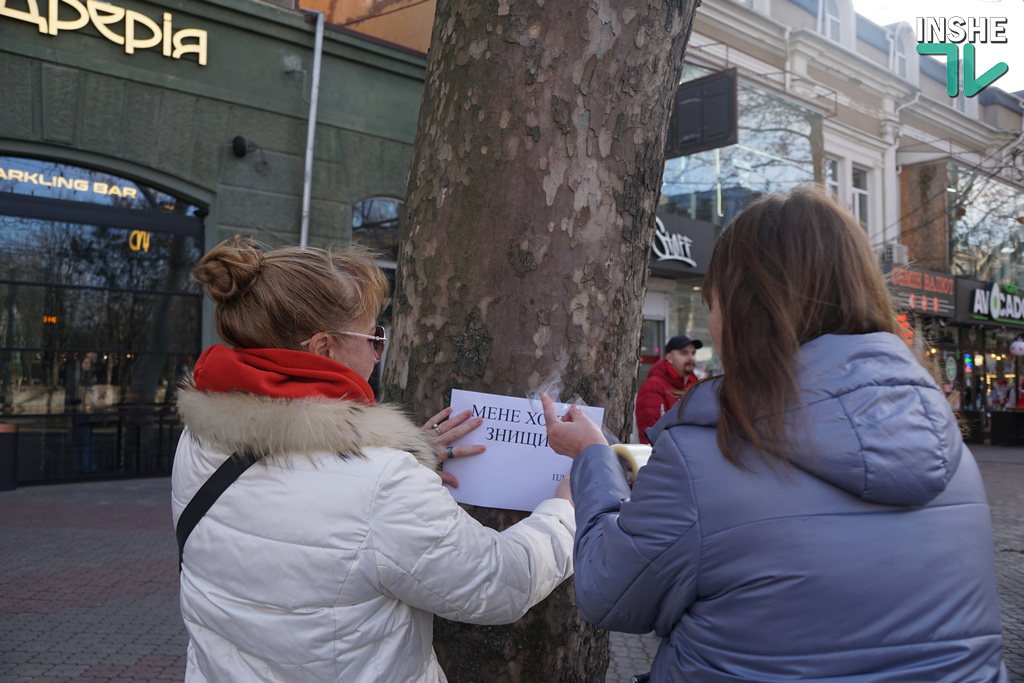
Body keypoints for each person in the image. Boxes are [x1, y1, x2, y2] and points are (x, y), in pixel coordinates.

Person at [543, 186, 1008, 682]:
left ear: (747, 309)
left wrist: (593, 456)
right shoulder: (946, 443)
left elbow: (608, 593)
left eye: (714, 304)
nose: (713, 324)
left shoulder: (705, 455)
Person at [171, 241, 574, 682]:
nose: (378, 351)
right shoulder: (380, 480)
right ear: (324, 348)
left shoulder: (199, 435)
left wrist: (394, 451)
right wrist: (567, 510)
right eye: (374, 337)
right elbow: (498, 584)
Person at [634, 334, 702, 444]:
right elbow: (650, 435)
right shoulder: (653, 386)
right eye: (684, 353)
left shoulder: (696, 386)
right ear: (670, 358)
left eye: (693, 353)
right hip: (669, 457)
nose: (691, 358)